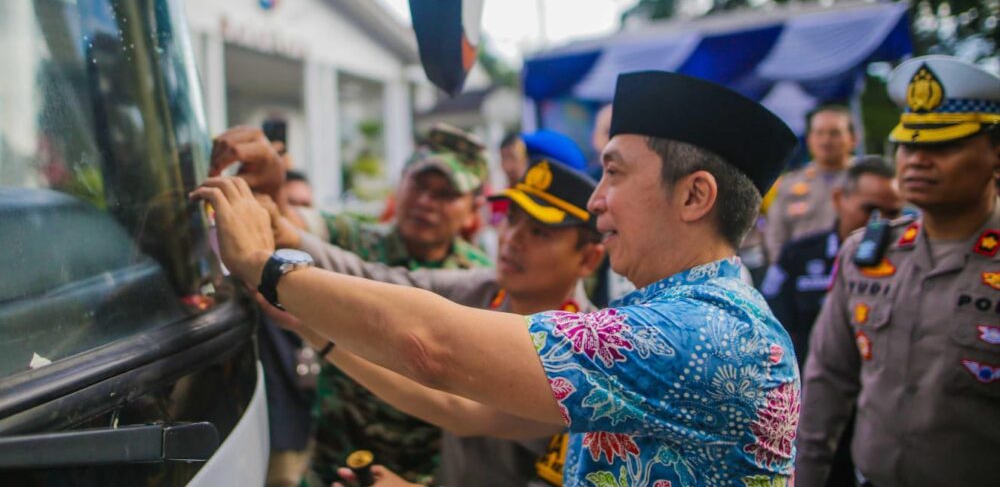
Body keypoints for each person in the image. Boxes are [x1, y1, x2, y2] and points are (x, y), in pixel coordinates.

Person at [193, 70, 801, 485]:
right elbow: (466, 409)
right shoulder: (688, 318)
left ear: (694, 195)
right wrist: (309, 319)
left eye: (614, 174)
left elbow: (436, 349)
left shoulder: (701, 333)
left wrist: (265, 266)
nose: (596, 201)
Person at [265, 157, 604, 486]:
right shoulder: (483, 289)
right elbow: (380, 283)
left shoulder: (584, 354)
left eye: (539, 232)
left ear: (588, 259)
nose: (513, 238)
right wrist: (291, 238)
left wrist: (313, 329)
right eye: (511, 219)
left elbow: (460, 412)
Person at [211, 123, 493, 484]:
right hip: (329, 460)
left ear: (473, 209)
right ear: (401, 182)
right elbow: (283, 226)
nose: (426, 201)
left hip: (415, 476)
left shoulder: (481, 283)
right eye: (419, 184)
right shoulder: (356, 240)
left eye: (446, 194)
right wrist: (271, 184)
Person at [796, 56, 1000, 487]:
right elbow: (826, 382)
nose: (917, 160)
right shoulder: (867, 254)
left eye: (943, 146)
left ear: (995, 154)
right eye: (908, 144)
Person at [761, 155, 904, 366]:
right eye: (870, 210)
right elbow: (770, 326)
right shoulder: (797, 256)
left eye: (892, 213)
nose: (880, 222)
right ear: (838, 199)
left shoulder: (908, 261)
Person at [765, 104, 857, 261]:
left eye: (834, 133)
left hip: (852, 267)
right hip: (802, 271)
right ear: (809, 139)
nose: (826, 140)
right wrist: (785, 267)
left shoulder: (867, 181)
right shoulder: (789, 184)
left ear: (853, 138)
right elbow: (775, 237)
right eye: (819, 133)